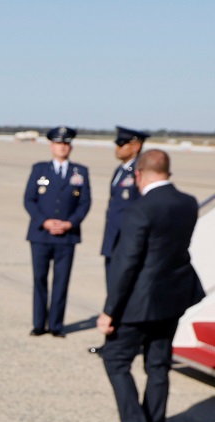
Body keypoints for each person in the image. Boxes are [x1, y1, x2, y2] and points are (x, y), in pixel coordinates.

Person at [96, 149, 205, 422]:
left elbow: (126, 264)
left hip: (139, 303)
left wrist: (109, 311)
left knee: (115, 359)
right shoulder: (187, 202)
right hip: (172, 298)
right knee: (158, 366)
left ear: (139, 174)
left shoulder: (139, 209)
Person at [22, 126, 92, 337]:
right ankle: (38, 323)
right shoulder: (40, 170)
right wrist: (44, 221)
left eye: (66, 144)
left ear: (70, 147)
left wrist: (70, 223)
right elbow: (29, 199)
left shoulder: (80, 172)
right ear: (51, 145)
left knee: (61, 281)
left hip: (66, 236)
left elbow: (85, 202)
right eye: (58, 143)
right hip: (41, 235)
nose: (62, 147)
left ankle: (56, 325)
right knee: (39, 279)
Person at [89, 125, 149, 354]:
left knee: (124, 293)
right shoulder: (120, 170)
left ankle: (122, 344)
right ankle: (113, 342)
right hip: (113, 243)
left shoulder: (140, 171)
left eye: (121, 144)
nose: (117, 147)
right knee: (113, 293)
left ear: (135, 146)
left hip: (127, 245)